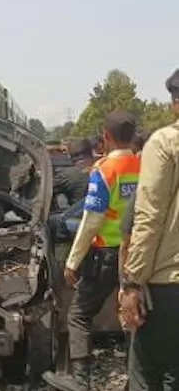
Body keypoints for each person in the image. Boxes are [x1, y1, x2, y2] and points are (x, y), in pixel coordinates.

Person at [43, 111, 140, 391]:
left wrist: (72, 262)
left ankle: (79, 379)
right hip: (136, 254)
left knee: (79, 314)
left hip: (106, 255)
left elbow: (91, 221)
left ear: (106, 138)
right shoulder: (144, 165)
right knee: (132, 315)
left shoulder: (104, 170)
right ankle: (136, 378)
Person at [120, 69, 179, 390]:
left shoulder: (165, 142)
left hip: (169, 286)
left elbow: (149, 218)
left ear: (175, 105)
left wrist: (132, 283)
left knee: (147, 371)